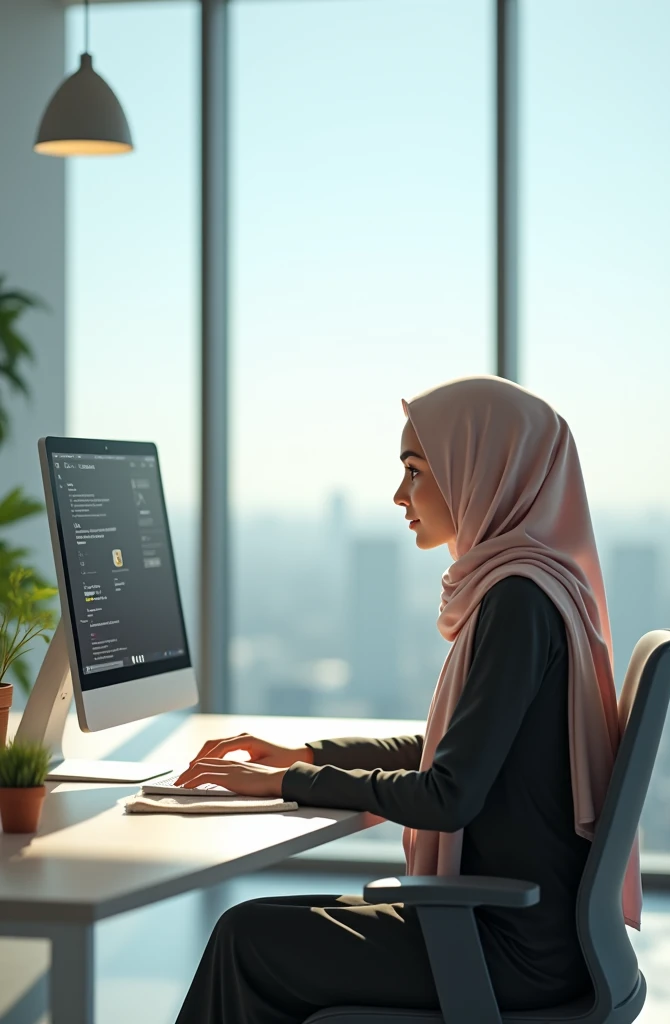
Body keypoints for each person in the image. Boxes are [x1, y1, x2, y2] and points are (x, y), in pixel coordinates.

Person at [174, 375, 641, 1024]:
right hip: (522, 928)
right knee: (248, 926)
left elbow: (449, 794)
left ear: (480, 472)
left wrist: (288, 781)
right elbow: (455, 750)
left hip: (508, 946)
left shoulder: (518, 602)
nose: (399, 496)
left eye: (416, 472)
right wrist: (304, 754)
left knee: (246, 939)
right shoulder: (532, 588)